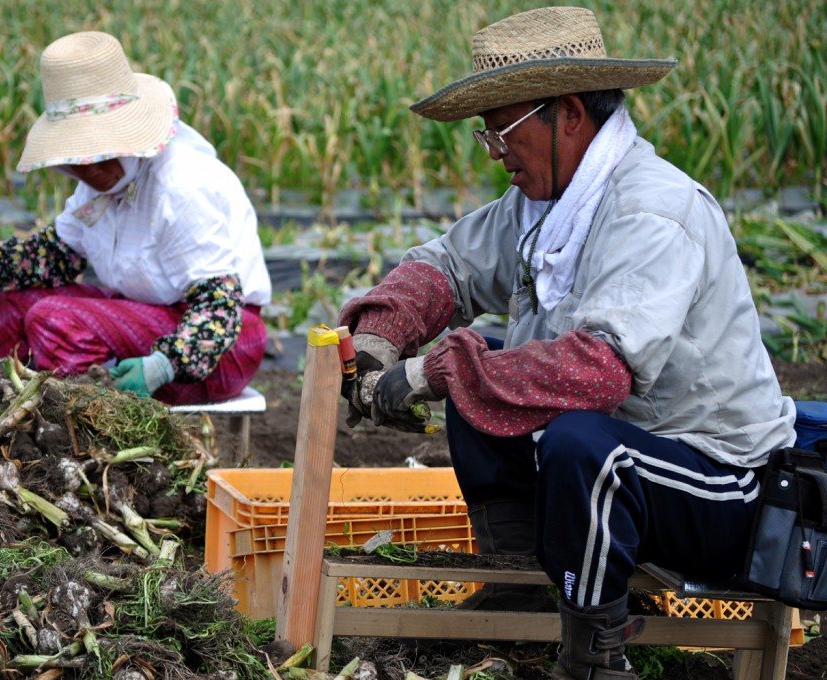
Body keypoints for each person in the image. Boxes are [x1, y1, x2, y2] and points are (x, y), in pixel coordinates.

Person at [337, 7, 796, 679]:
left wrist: (438, 371)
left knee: (577, 438)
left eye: (503, 133)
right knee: (494, 371)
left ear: (570, 115)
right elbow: (449, 266)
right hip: (621, 462)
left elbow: (598, 373)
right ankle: (517, 575)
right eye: (485, 135)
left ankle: (595, 652)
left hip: (717, 483)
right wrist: (382, 333)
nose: (495, 155)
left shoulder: (651, 212)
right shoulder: (545, 207)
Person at [0, 31, 271, 406]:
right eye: (78, 158)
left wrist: (164, 364)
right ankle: (29, 402)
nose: (90, 172)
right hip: (148, 320)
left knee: (54, 319)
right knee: (14, 300)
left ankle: (93, 416)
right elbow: (54, 258)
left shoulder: (181, 185)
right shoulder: (97, 190)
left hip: (222, 349)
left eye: (99, 154)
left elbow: (220, 308)